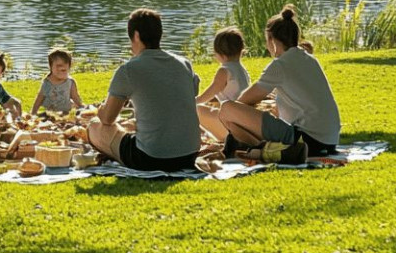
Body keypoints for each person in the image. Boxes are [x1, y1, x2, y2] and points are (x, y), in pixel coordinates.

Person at [219, 5, 341, 164]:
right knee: (240, 118)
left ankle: (262, 149)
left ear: (272, 40)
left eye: (267, 41)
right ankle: (260, 149)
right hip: (328, 140)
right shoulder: (309, 59)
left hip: (304, 139)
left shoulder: (280, 65)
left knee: (227, 109)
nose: (266, 46)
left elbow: (243, 101)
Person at [87, 9, 202, 171]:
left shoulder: (129, 69)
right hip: (189, 155)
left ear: (136, 35)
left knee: (94, 127)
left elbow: (107, 119)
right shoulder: (184, 64)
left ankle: (114, 154)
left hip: (150, 158)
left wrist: (100, 110)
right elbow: (185, 96)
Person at [194, 27, 251, 140]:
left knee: (197, 109)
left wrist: (193, 101)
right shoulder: (241, 69)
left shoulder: (224, 71)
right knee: (209, 107)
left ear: (222, 55)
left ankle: (210, 136)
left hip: (232, 122)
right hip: (243, 120)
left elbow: (210, 93)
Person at [31, 47, 82, 114]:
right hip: (51, 113)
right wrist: (33, 112)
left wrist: (82, 108)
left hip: (66, 112)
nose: (60, 69)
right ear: (51, 67)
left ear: (69, 68)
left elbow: (76, 98)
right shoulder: (47, 82)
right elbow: (39, 99)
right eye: (58, 66)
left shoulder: (70, 82)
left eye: (63, 70)